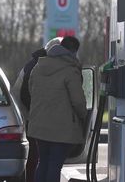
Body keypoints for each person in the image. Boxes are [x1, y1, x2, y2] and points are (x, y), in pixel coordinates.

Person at [27, 36, 87, 182]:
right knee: (54, 165)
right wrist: (83, 116)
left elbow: (30, 90)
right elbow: (78, 101)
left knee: (43, 162)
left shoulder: (38, 66)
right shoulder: (70, 70)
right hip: (62, 128)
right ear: (73, 51)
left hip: (39, 125)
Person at [11, 37, 63, 182]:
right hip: (30, 116)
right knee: (37, 156)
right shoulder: (40, 66)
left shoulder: (34, 64)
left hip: (28, 115)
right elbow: (25, 95)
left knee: (36, 155)